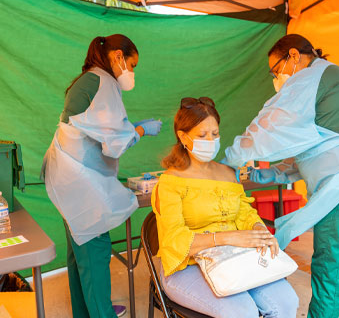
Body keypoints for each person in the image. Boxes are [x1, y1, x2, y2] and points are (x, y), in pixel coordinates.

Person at [222, 34, 339, 318]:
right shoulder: (332, 79)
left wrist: (228, 160)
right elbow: (318, 148)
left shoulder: (308, 79)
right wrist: (275, 173)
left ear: (294, 56)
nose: (276, 78)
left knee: (329, 267)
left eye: (276, 70)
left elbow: (269, 125)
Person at [41, 34, 162, 318]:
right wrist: (140, 131)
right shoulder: (104, 83)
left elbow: (96, 129)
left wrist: (129, 128)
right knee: (94, 257)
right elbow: (115, 143)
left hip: (67, 179)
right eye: (132, 64)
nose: (131, 73)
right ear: (118, 56)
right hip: (81, 184)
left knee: (79, 256)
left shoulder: (87, 80)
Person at [151, 97, 299, 318]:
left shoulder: (228, 173)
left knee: (286, 303)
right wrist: (228, 237)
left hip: (233, 256)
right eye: (202, 135)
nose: (210, 140)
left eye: (215, 134)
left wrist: (258, 228)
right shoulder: (171, 182)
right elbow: (174, 241)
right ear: (183, 137)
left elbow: (244, 212)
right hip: (186, 265)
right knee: (242, 312)